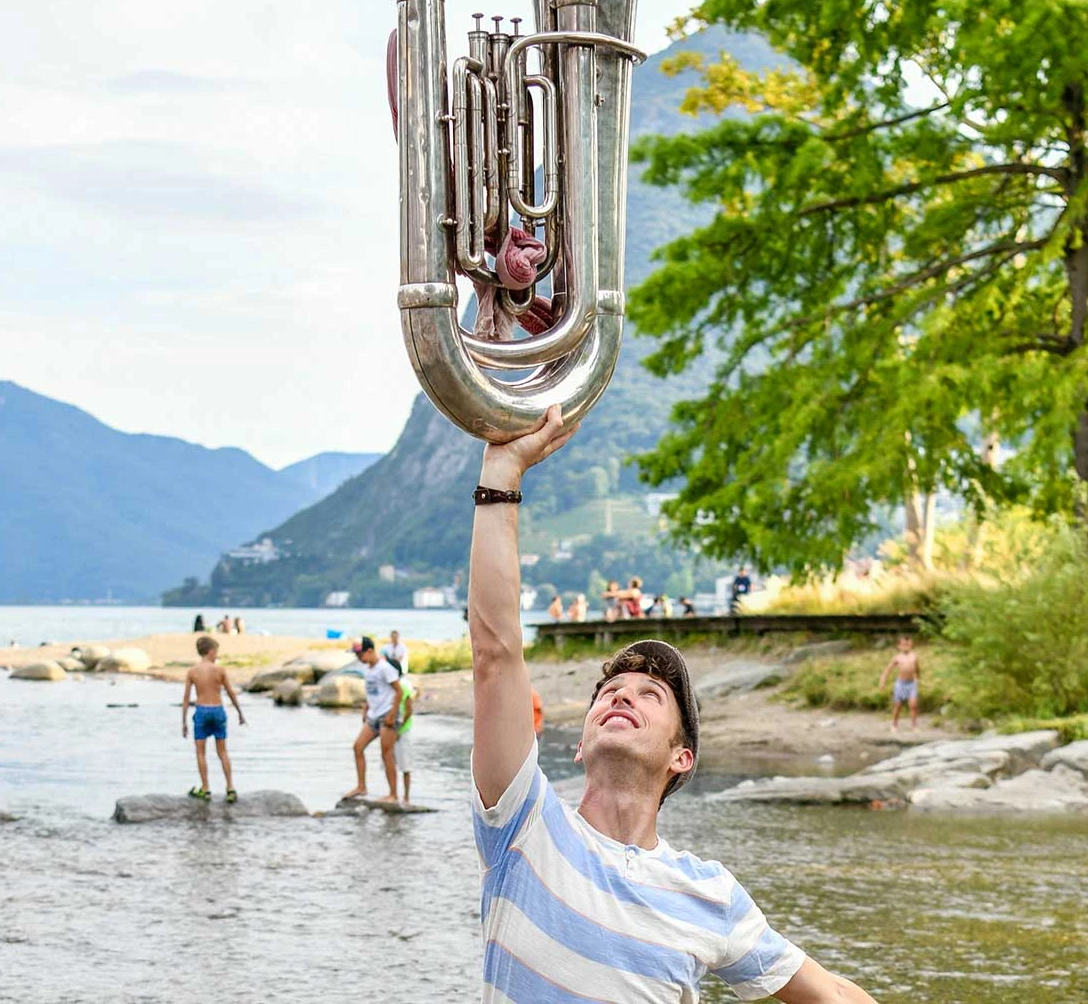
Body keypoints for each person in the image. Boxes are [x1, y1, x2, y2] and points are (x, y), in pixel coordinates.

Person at [468, 408, 878, 1003]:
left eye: (650, 695)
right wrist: (502, 473)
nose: (621, 694)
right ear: (580, 744)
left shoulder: (708, 894)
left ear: (680, 757)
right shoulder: (523, 825)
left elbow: (834, 997)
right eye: (610, 691)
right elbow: (496, 653)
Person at [180, 635, 245, 802]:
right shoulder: (220, 670)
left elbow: (186, 698)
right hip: (217, 710)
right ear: (210, 652)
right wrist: (240, 712)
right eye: (216, 652)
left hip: (202, 710)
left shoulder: (192, 672)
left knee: (200, 752)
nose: (217, 655)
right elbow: (230, 692)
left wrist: (184, 722)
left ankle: (206, 788)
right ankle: (230, 788)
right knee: (222, 751)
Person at [342, 636, 402, 801]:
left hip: (387, 714)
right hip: (373, 715)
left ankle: (393, 794)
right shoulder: (367, 669)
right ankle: (361, 787)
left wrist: (392, 715)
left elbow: (399, 692)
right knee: (358, 747)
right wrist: (366, 708)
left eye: (360, 654)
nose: (358, 658)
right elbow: (372, 691)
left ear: (370, 651)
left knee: (386, 754)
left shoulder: (385, 668)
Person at [877, 635, 922, 732]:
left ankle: (914, 726)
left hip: (911, 683)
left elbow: (917, 669)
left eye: (908, 644)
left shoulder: (914, 656)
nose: (906, 646)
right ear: (899, 646)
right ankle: (894, 725)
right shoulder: (897, 657)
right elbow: (887, 670)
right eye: (904, 644)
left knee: (913, 705)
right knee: (898, 705)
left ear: (911, 645)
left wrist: (918, 678)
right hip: (901, 684)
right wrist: (882, 681)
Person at [394, 668, 421, 806]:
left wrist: (399, 730)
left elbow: (409, 710)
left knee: (405, 766)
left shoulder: (403, 686)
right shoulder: (391, 686)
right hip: (392, 730)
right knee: (390, 764)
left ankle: (406, 797)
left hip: (403, 731)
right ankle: (394, 795)